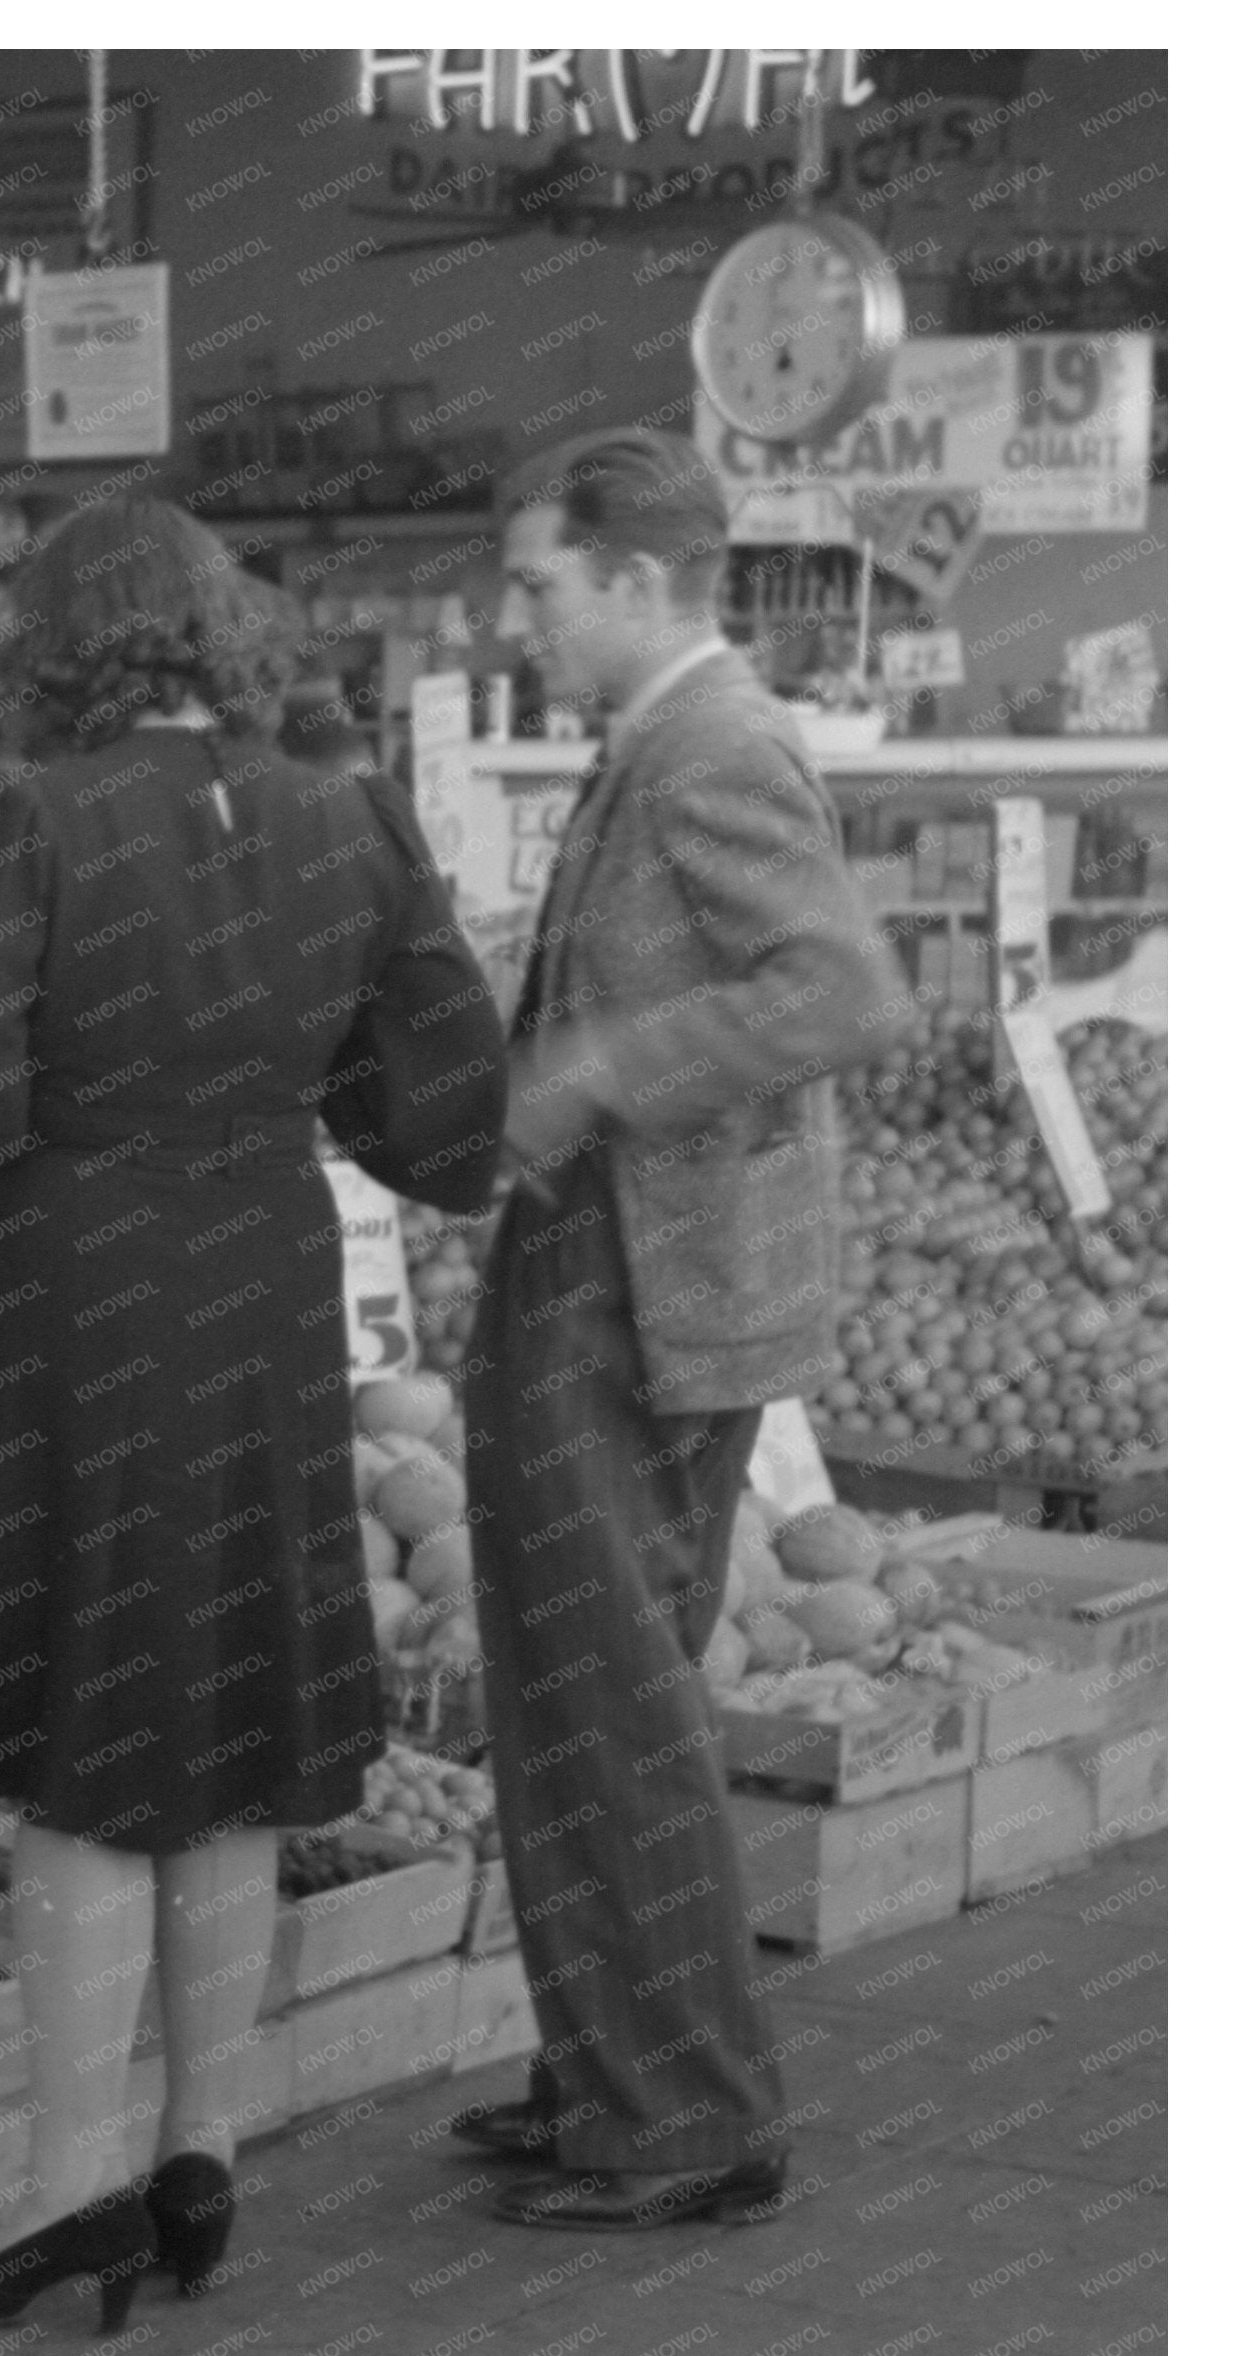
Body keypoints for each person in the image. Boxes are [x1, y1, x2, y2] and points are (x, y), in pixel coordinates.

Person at [0, 497, 507, 2333]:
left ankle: (67, 2189)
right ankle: (198, 2144)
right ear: (216, 629)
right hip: (262, 1281)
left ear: (61, 639)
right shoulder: (347, 806)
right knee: (221, 1720)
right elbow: (446, 1097)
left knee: (79, 1740)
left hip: (69, 1285)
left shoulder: (25, 811)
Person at [451, 428, 913, 2229]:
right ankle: (603, 2072)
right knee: (585, 1682)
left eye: (538, 583)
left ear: (635, 583)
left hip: (637, 1274)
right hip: (632, 1263)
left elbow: (837, 987)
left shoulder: (710, 745)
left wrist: (592, 1070)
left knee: (608, 1701)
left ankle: (681, 2118)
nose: (517, 618)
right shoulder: (655, 741)